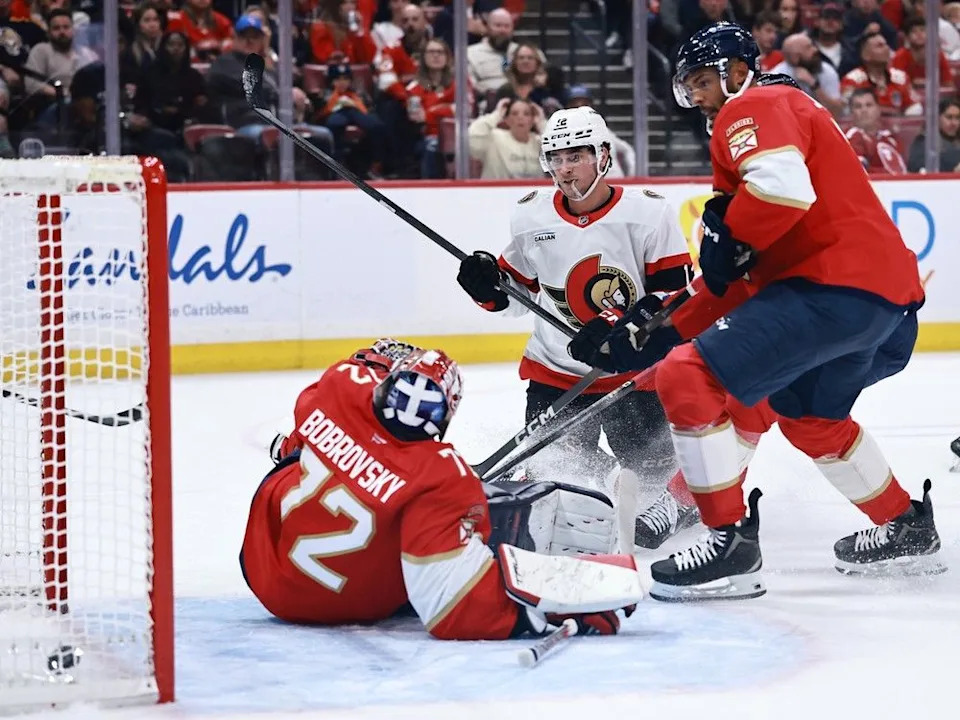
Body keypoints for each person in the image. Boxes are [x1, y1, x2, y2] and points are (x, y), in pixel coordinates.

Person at [577, 21, 941, 601]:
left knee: (688, 376)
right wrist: (655, 329)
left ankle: (728, 542)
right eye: (688, 87)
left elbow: (780, 194)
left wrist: (728, 238)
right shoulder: (789, 115)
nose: (696, 97)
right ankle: (906, 525)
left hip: (833, 291)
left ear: (736, 71)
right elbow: (735, 283)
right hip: (886, 309)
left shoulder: (758, 104)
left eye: (702, 81)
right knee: (806, 415)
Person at [240, 339, 641, 640]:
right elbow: (450, 607)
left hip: (261, 569)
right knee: (439, 523)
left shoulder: (338, 387)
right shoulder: (441, 475)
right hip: (345, 604)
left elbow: (321, 409)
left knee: (302, 460)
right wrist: (538, 618)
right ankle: (473, 537)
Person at [457, 105, 698, 550]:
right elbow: (513, 298)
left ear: (603, 155)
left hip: (634, 377)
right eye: (556, 159)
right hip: (557, 374)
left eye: (576, 156)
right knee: (559, 471)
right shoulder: (531, 216)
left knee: (653, 477)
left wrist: (619, 326)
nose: (565, 170)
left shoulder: (648, 214)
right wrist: (486, 284)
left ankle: (669, 491)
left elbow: (674, 300)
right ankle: (602, 477)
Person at [845, 87, 907, 173]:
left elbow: (902, 169)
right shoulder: (849, 138)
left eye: (869, 105)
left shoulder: (891, 138)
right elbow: (859, 171)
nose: (864, 110)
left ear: (878, 109)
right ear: (852, 112)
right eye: (858, 106)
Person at [907, 96, 960, 173]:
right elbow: (915, 166)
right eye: (949, 117)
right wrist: (952, 169)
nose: (954, 123)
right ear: (937, 118)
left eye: (958, 118)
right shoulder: (924, 141)